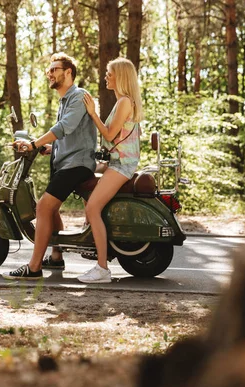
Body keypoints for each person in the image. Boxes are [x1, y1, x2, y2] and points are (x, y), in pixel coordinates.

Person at [3, 53, 97, 280]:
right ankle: (56, 256)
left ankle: (33, 268)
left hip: (77, 164)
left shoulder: (79, 96)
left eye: (55, 69)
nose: (50, 73)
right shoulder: (65, 100)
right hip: (66, 162)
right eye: (49, 70)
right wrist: (47, 149)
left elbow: (65, 127)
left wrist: (34, 143)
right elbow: (68, 135)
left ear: (68, 73)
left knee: (43, 207)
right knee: (51, 208)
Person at [78, 57, 143, 284]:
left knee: (94, 207)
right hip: (115, 162)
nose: (106, 76)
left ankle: (102, 268)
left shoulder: (125, 102)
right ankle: (88, 233)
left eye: (109, 73)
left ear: (121, 77)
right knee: (81, 174)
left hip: (122, 165)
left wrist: (92, 112)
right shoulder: (122, 102)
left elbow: (108, 134)